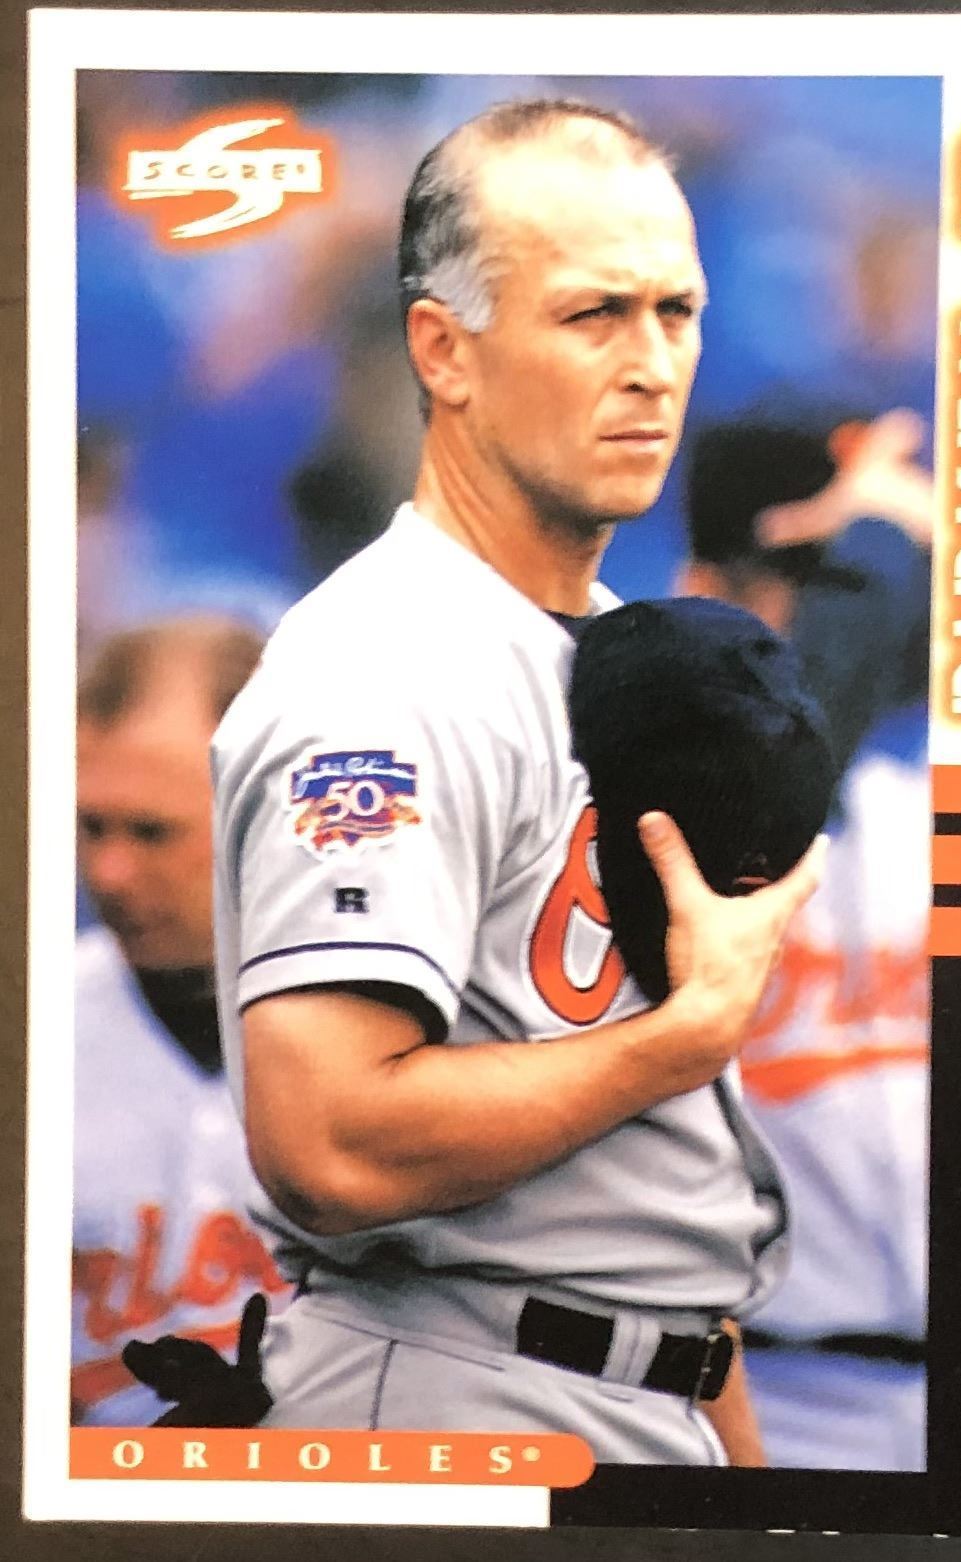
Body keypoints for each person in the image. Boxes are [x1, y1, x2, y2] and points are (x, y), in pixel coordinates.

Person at [211, 98, 825, 1464]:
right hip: (462, 1387)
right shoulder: (387, 666)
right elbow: (329, 1142)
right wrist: (684, 1035)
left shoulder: (597, 640)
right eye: (593, 314)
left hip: (638, 1386)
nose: (651, 364)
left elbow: (649, 1180)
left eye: (676, 313)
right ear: (445, 349)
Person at [679, 412, 932, 1469]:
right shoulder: (668, 813)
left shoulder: (932, 817)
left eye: (837, 585)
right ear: (702, 592)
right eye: (794, 577)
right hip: (774, 1397)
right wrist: (876, 541)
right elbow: (797, 742)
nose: (821, 617)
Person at [72, 618, 289, 1426]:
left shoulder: (397, 1029)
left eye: (152, 832)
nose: (109, 873)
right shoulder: (37, 1022)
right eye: (91, 826)